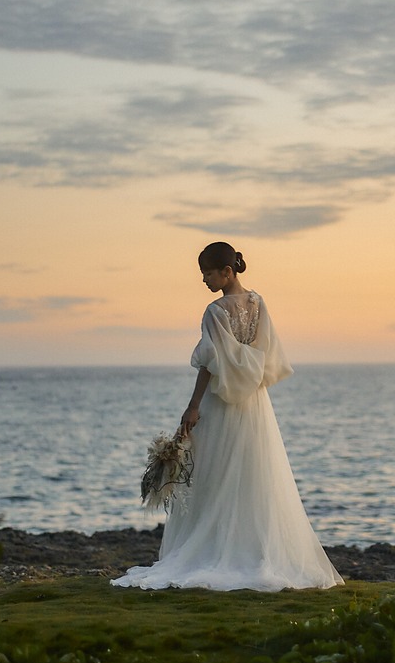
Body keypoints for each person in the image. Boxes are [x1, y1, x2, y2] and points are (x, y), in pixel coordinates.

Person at [112, 242, 343, 592]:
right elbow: (265, 353)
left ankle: (217, 548)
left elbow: (209, 362)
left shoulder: (215, 311)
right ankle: (249, 547)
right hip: (253, 401)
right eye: (203, 274)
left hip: (220, 400)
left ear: (227, 272)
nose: (204, 280)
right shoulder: (258, 303)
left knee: (212, 472)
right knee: (252, 472)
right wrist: (246, 372)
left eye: (208, 273)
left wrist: (192, 406)